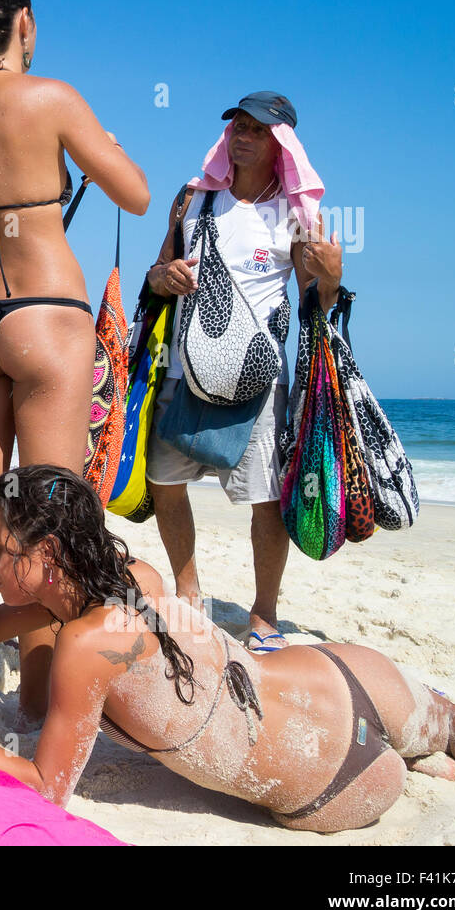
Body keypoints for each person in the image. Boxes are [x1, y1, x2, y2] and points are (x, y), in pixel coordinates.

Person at [0, 465, 455, 833]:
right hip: (341, 681)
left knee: (428, 749)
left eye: (0, 552)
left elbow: (46, 792)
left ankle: (420, 760)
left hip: (333, 789)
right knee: (449, 720)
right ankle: (430, 746)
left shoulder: (88, 646)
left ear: (51, 554)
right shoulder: (128, 583)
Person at [0, 0, 150, 711]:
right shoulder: (52, 99)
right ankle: (42, 690)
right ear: (24, 24)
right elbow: (138, 196)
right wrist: (98, 147)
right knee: (53, 512)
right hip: (45, 313)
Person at [145, 92, 343, 651]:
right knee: (165, 482)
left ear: (280, 143)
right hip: (185, 371)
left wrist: (330, 276)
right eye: (238, 125)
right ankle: (188, 596)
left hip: (258, 384)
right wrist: (164, 277)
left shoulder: (297, 216)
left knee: (265, 499)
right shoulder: (193, 199)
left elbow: (315, 304)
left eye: (258, 130)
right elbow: (157, 270)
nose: (243, 136)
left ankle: (263, 616)